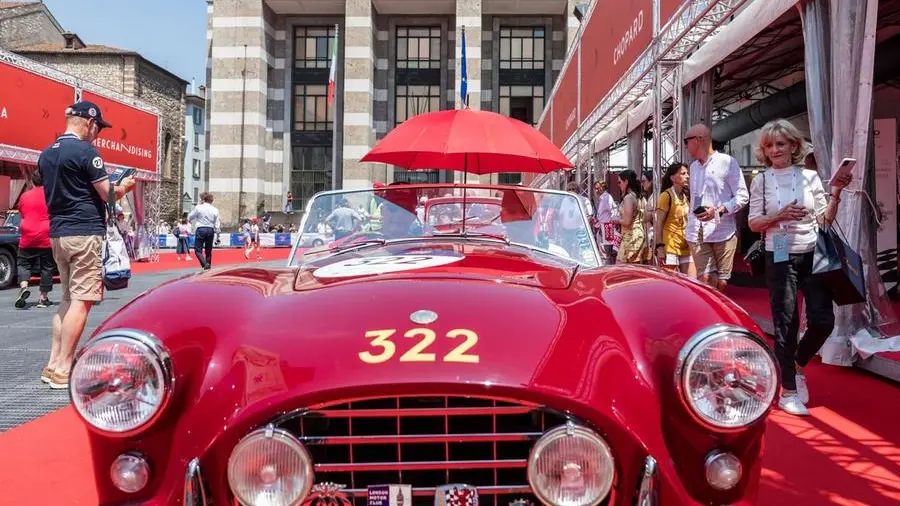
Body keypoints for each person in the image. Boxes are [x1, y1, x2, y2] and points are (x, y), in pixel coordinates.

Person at [747, 119, 852, 417]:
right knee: (787, 323)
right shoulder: (761, 181)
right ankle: (789, 391)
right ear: (764, 151)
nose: (775, 150)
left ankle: (798, 363)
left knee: (823, 321)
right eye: (769, 145)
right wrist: (778, 216)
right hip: (779, 254)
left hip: (813, 254)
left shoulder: (809, 177)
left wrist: (835, 193)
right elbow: (754, 223)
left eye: (781, 144)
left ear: (794, 146)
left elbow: (824, 220)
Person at [38, 101, 136, 389]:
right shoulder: (86, 152)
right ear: (88, 122)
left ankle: (53, 363)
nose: (98, 134)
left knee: (67, 299)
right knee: (82, 300)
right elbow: (107, 192)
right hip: (84, 232)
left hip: (59, 232)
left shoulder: (47, 154)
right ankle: (65, 368)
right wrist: (124, 187)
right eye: (98, 128)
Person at [684, 123, 749, 292]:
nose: (685, 146)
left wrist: (719, 210)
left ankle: (718, 313)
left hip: (723, 230)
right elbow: (697, 196)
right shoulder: (693, 167)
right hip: (696, 230)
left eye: (687, 141)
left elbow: (743, 196)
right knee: (705, 278)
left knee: (721, 283)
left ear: (699, 140)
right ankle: (707, 314)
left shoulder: (728, 162)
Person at [14, 170, 54, 309]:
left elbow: (22, 212)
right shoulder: (50, 195)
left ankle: (24, 287)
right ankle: (43, 299)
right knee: (46, 266)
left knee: (24, 263)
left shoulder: (25, 196)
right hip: (45, 235)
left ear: (32, 181)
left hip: (28, 234)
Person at [654, 162, 695, 275]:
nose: (687, 176)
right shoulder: (666, 196)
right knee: (668, 283)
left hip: (686, 245)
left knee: (692, 282)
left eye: (687, 173)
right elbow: (659, 223)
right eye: (683, 173)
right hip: (669, 246)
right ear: (673, 178)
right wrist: (660, 247)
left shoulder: (687, 195)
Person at [610, 170, 647, 264]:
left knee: (620, 268)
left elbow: (627, 221)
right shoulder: (640, 197)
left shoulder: (628, 198)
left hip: (630, 236)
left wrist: (616, 220)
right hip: (637, 234)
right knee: (633, 269)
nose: (619, 185)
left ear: (626, 182)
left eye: (619, 182)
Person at [188, 192, 221, 270]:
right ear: (211, 201)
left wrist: (190, 220)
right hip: (210, 229)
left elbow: (190, 216)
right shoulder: (215, 210)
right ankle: (208, 265)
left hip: (201, 229)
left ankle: (204, 263)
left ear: (204, 199)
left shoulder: (199, 207)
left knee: (197, 250)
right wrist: (218, 234)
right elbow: (217, 223)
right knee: (208, 250)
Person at [592, 180, 618, 265]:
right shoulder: (602, 198)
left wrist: (611, 223)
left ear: (602, 188)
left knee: (607, 252)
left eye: (598, 188)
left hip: (607, 227)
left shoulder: (607, 197)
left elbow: (614, 210)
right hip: (602, 227)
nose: (596, 191)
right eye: (595, 189)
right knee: (603, 251)